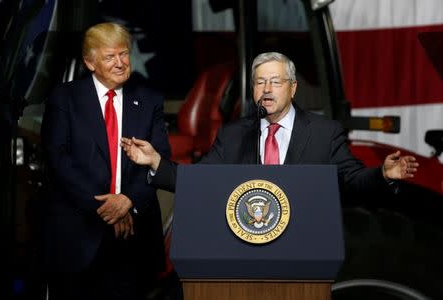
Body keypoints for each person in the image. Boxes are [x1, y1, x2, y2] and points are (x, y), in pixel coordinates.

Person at [121, 51, 418, 195]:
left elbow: (353, 180)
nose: (266, 89)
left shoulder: (324, 133)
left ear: (292, 88)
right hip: (246, 255)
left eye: (275, 82)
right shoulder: (234, 134)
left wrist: (383, 174)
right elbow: (199, 182)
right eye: (259, 82)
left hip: (305, 254)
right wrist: (157, 162)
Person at [40, 22, 171, 300]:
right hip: (77, 235)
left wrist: (127, 201)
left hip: (134, 240)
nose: (120, 63)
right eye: (110, 57)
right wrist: (109, 207)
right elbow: (58, 161)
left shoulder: (149, 100)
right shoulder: (65, 98)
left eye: (124, 54)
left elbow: (160, 160)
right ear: (90, 62)